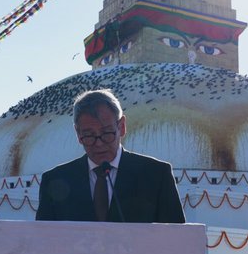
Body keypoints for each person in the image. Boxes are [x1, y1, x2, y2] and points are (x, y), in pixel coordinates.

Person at [36, 89, 185, 223]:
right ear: (78, 133)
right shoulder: (54, 180)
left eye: (107, 133)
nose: (99, 143)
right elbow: (43, 243)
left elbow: (176, 240)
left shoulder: (156, 175)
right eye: (89, 135)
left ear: (121, 126)